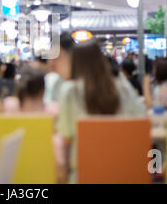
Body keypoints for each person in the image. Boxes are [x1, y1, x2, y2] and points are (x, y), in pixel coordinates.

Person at [57, 40, 146, 183]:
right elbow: (141, 121)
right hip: (123, 170)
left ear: (75, 63)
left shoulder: (70, 91)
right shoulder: (123, 88)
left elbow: (66, 137)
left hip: (82, 173)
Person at [43, 32, 75, 105]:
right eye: (50, 57)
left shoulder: (83, 86)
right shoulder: (50, 81)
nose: (51, 63)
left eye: (57, 58)